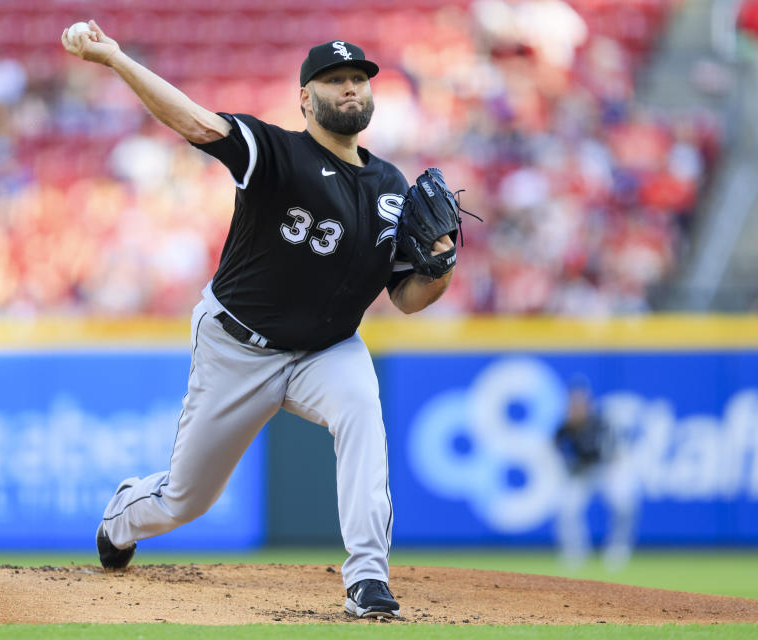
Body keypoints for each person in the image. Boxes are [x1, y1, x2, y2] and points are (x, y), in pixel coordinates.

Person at [62, 21, 456, 619]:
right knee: (185, 500)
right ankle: (122, 515)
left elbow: (406, 298)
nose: (350, 89)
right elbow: (197, 123)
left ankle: (367, 580)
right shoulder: (276, 152)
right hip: (238, 347)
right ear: (305, 98)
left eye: (357, 79)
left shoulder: (391, 186)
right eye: (334, 80)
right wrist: (116, 58)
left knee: (362, 414)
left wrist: (443, 266)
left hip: (328, 350)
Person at [553, 377, 637, 571]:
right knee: (567, 509)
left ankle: (618, 551)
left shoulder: (599, 423)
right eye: (574, 402)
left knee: (624, 504)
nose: (577, 406)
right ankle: (574, 554)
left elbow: (611, 452)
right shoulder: (564, 428)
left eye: (581, 402)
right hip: (581, 474)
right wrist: (568, 465)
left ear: (587, 403)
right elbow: (557, 452)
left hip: (606, 470)